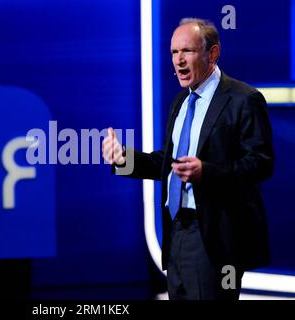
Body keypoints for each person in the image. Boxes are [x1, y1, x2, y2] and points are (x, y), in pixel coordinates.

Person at [102, 18, 274, 300]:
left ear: (213, 53)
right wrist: (123, 160)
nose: (178, 61)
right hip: (177, 234)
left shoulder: (243, 99)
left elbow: (261, 163)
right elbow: (168, 164)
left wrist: (206, 172)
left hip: (214, 238)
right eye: (173, 52)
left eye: (188, 52)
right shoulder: (181, 103)